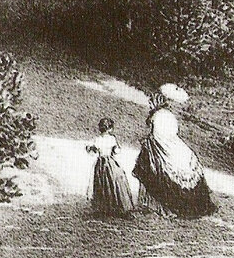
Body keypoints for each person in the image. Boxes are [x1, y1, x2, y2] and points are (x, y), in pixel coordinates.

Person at [131, 84, 216, 219]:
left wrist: (148, 140)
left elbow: (157, 135)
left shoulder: (157, 116)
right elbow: (173, 132)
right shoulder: (169, 115)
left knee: (152, 171)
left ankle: (157, 205)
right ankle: (152, 204)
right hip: (172, 146)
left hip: (160, 148)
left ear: (157, 101)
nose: (149, 104)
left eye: (151, 101)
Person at [85, 117, 136, 218]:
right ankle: (117, 206)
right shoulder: (112, 138)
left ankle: (104, 207)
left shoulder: (98, 139)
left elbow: (93, 151)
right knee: (115, 182)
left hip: (100, 163)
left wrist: (88, 148)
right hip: (110, 162)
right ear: (110, 129)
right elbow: (116, 151)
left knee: (102, 183)